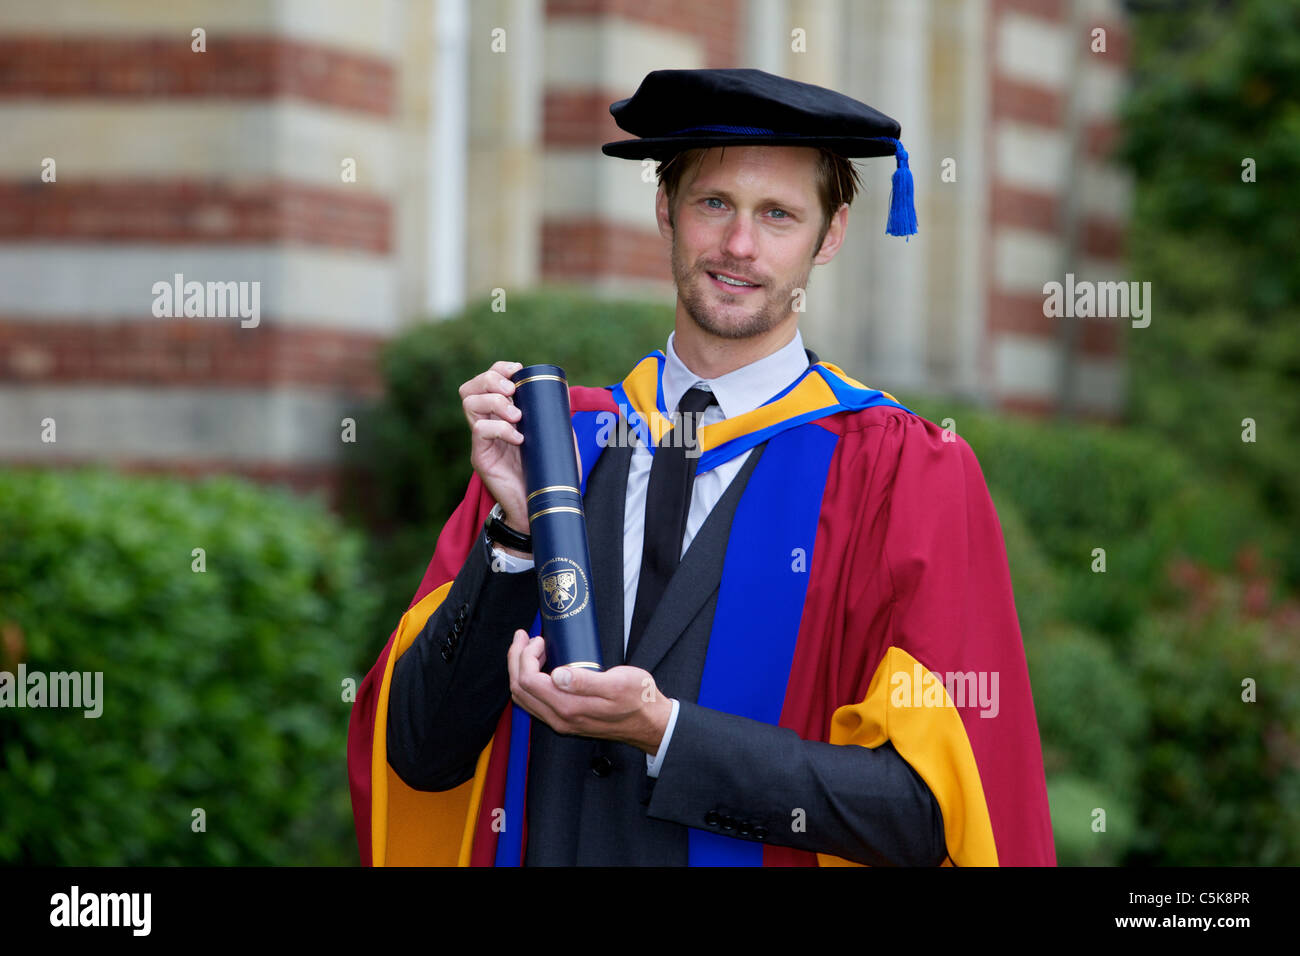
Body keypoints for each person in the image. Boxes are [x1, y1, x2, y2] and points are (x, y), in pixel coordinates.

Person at [348, 68, 1056, 866]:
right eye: (714, 203)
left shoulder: (900, 475)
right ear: (665, 210)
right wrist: (512, 535)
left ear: (830, 237)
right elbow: (418, 753)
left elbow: (927, 813)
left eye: (778, 215)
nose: (740, 246)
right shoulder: (557, 447)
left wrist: (669, 734)